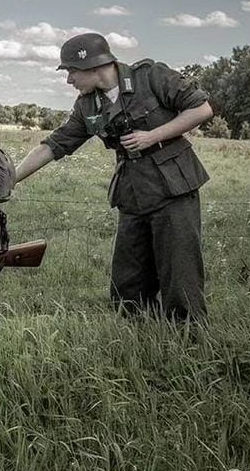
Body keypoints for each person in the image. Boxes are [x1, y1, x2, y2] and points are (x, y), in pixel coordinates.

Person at [14, 32, 213, 321]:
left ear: (93, 66)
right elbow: (53, 146)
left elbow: (202, 108)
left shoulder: (151, 76)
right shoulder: (87, 106)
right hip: (132, 191)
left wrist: (153, 136)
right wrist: (9, 179)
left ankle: (188, 338)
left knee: (179, 274)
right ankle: (137, 334)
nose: (69, 79)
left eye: (71, 71)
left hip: (173, 187)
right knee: (127, 282)